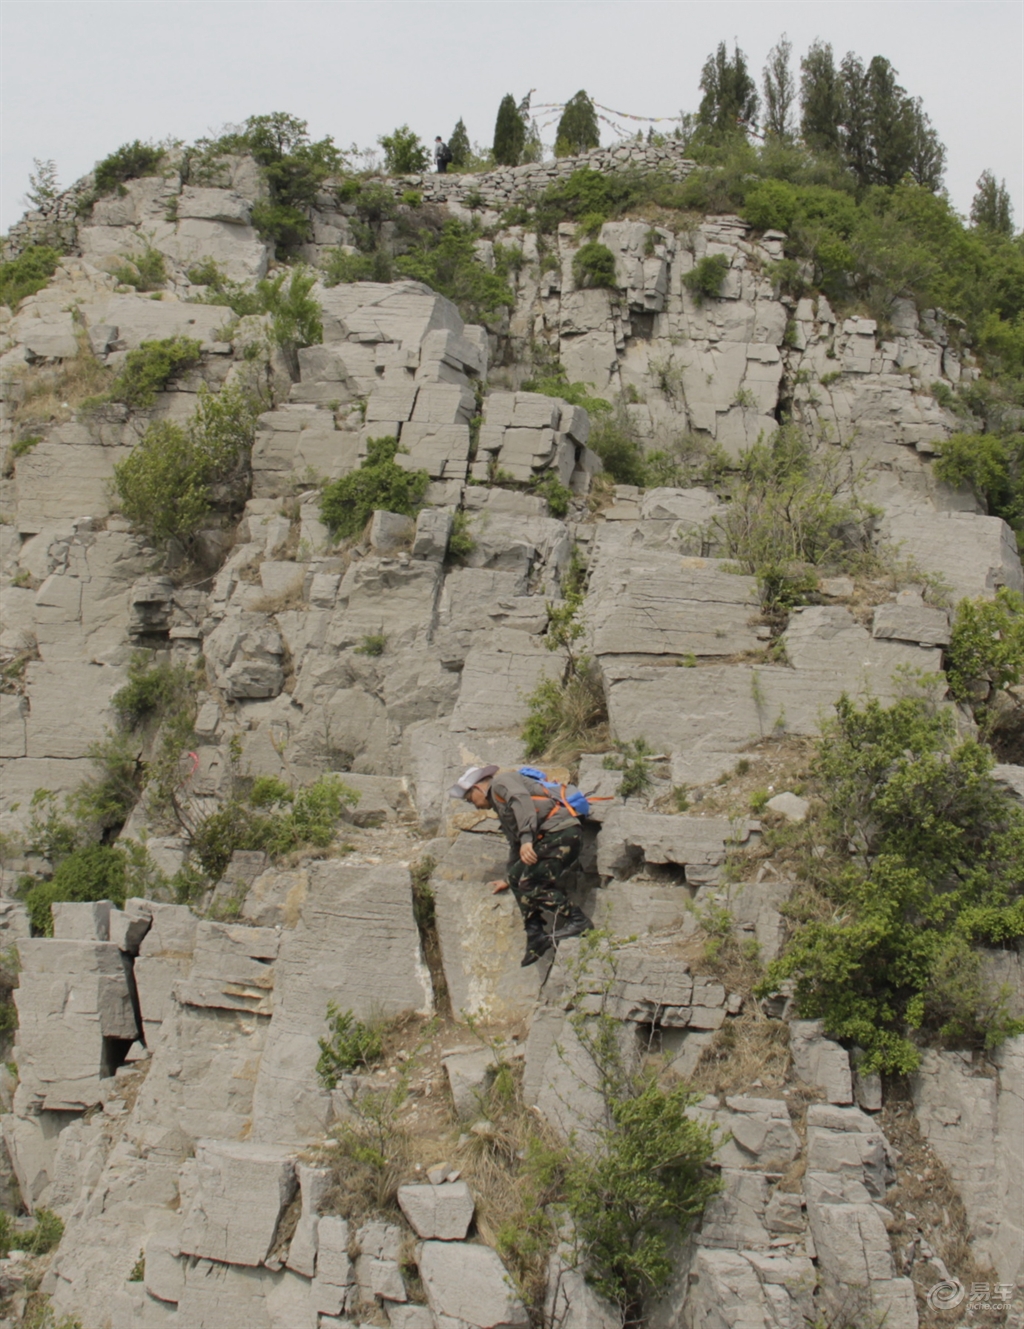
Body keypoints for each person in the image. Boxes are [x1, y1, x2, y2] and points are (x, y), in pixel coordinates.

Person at [449, 764, 593, 966]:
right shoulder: (499, 805)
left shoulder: (501, 782)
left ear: (478, 788)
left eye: (469, 798)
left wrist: (527, 839)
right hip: (552, 838)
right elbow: (515, 844)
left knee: (531, 884)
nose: (473, 805)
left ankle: (578, 921)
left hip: (563, 833)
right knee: (518, 878)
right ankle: (535, 934)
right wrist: (509, 878)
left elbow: (521, 800)